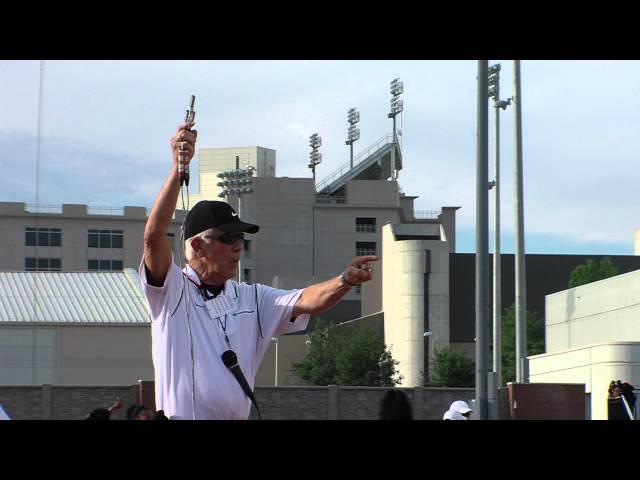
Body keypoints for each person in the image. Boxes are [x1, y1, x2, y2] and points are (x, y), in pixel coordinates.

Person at [139, 121, 378, 420]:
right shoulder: (171, 290)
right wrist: (178, 167)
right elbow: (153, 236)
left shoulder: (252, 298)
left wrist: (344, 281)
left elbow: (307, 299)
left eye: (240, 237)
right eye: (227, 238)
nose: (238, 246)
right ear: (198, 245)